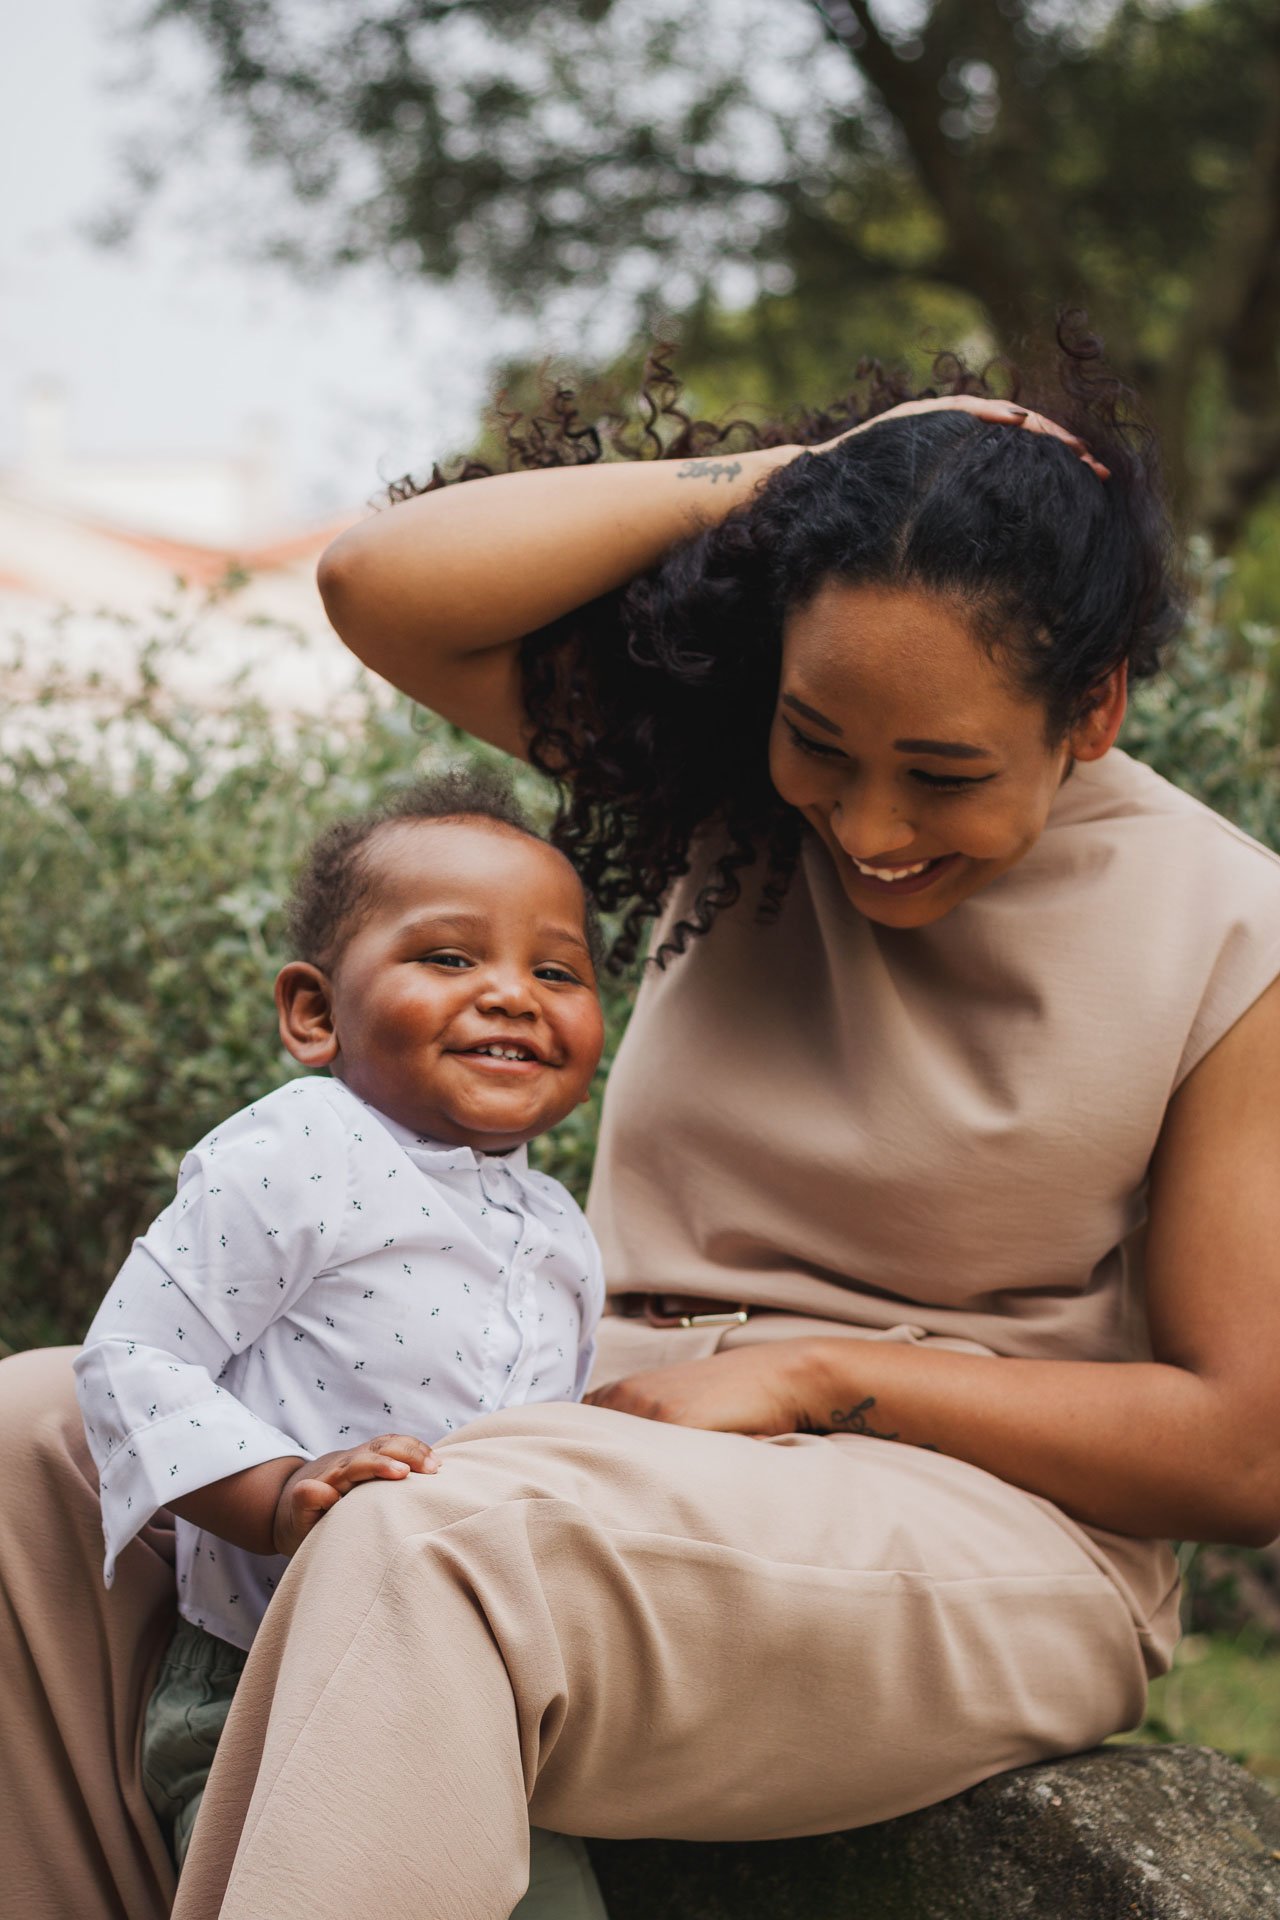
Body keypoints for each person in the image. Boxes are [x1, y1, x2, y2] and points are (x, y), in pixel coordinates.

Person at [2, 335, 1279, 1920]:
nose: (869, 830)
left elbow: (1246, 1444)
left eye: (941, 775)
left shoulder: (1234, 935)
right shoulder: (735, 787)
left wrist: (825, 1375)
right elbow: (383, 583)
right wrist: (803, 491)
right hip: (587, 1420)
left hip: (968, 1520)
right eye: (823, 740)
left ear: (1094, 708)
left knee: (433, 1546)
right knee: (37, 1436)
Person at [74, 769, 610, 1916]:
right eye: (451, 959)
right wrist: (276, 1492)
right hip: (271, 1692)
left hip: (482, 1705)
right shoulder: (304, 1147)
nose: (513, 995)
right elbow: (132, 1359)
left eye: (554, 970)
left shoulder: (559, 1228)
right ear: (314, 1013)